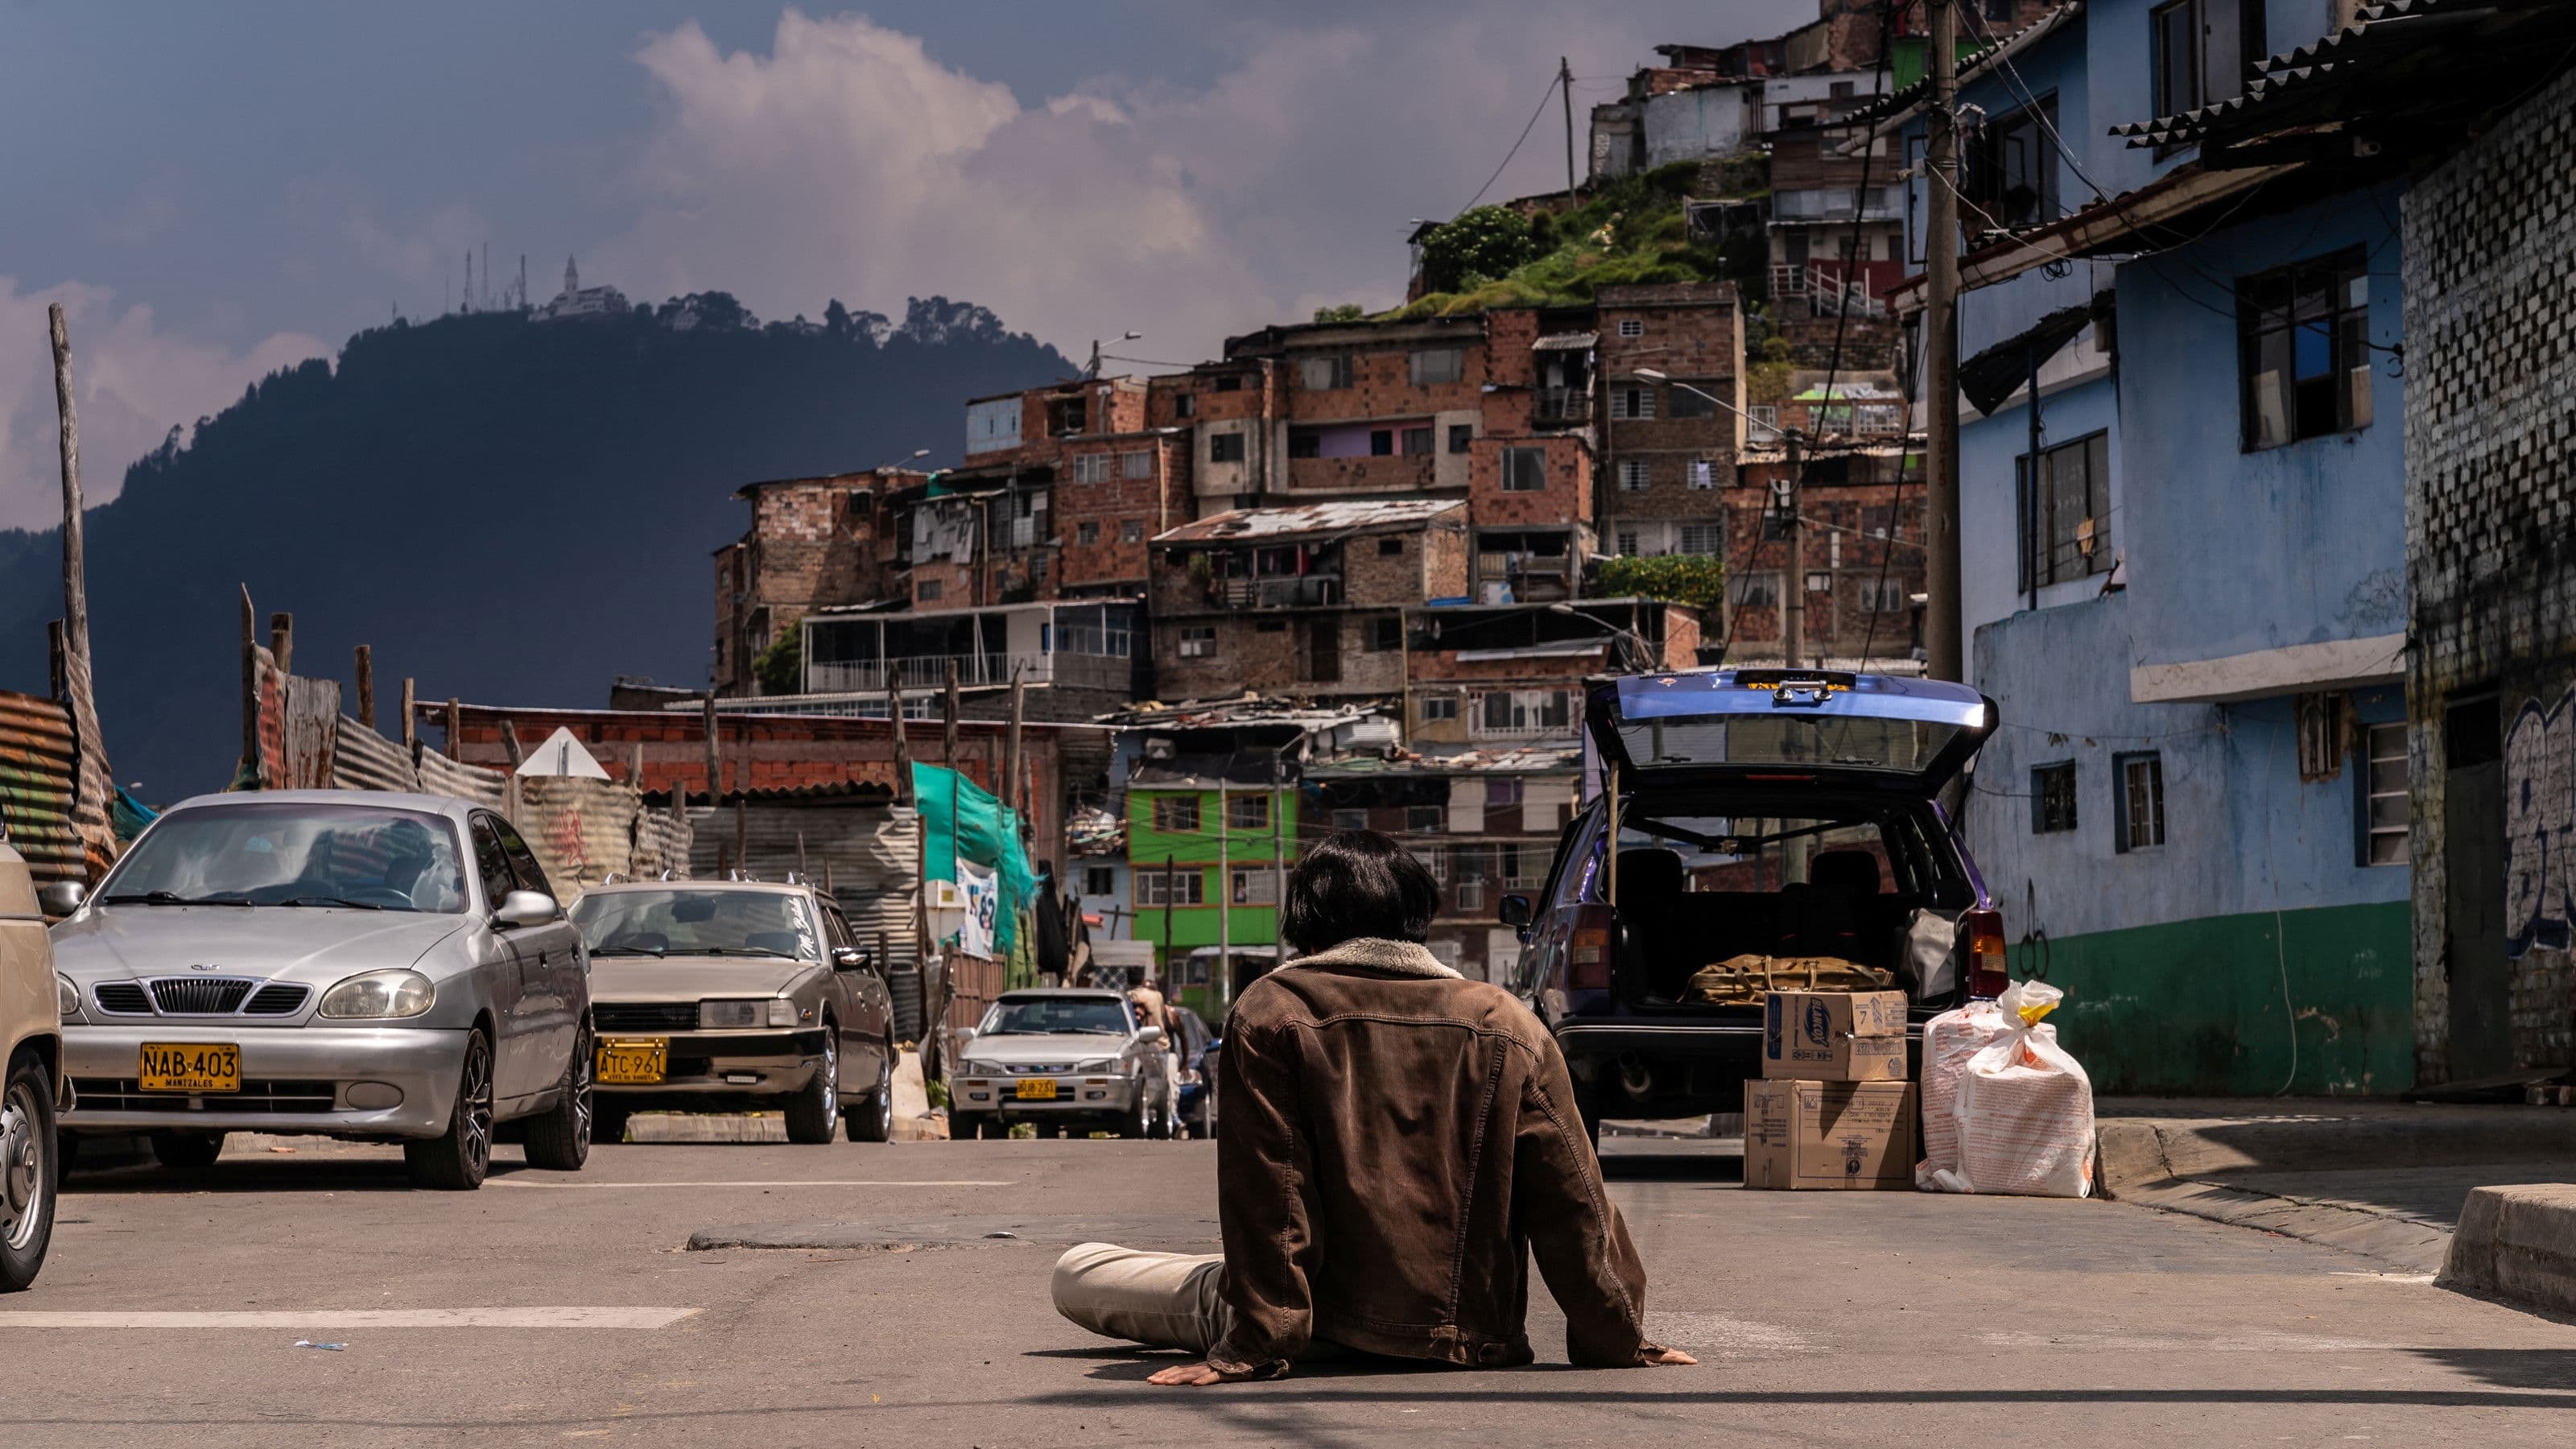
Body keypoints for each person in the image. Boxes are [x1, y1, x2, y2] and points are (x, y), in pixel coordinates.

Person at [1051, 829, 1695, 1383]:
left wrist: (1252, 1346)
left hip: (1314, 1327)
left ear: (1304, 921)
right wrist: (1618, 1338)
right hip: (1469, 1339)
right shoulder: (1507, 1022)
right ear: (1418, 915)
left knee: (1079, 1272)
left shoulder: (1275, 1009)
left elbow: (1273, 1193)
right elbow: (1573, 1199)